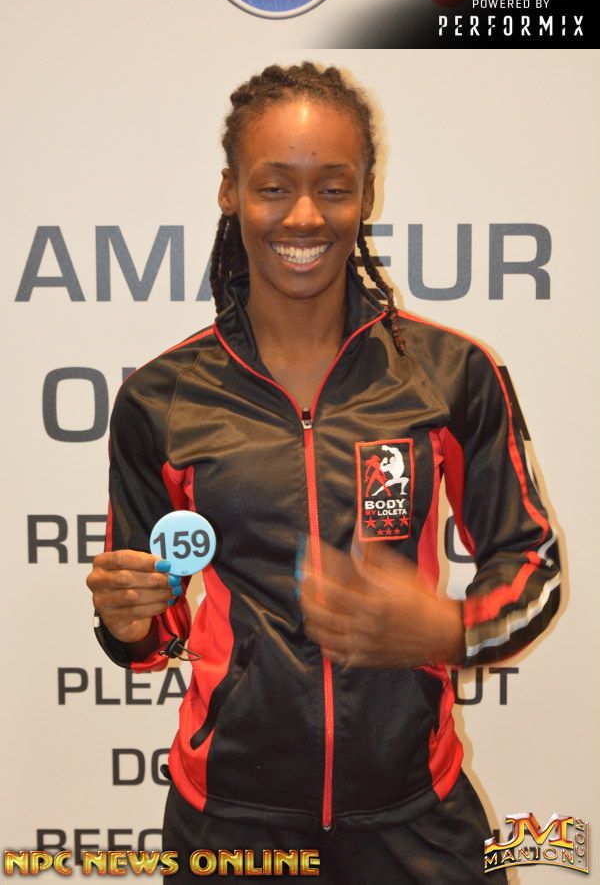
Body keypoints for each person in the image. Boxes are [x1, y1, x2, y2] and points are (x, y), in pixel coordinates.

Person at [86, 62, 560, 882]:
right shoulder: (160, 399)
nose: (304, 216)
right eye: (274, 187)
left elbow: (533, 565)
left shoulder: (451, 375)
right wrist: (128, 621)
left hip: (416, 816)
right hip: (229, 821)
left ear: (366, 195)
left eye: (333, 188)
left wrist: (451, 631)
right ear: (230, 192)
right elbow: (151, 629)